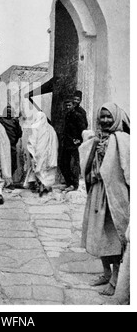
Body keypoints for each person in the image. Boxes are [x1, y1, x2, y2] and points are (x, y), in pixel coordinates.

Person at [80, 102, 130, 296]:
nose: (106, 120)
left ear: (117, 118)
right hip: (97, 191)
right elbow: (89, 164)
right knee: (99, 234)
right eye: (103, 116)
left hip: (113, 194)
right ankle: (106, 273)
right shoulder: (97, 138)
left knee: (113, 237)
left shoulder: (123, 140)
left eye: (110, 116)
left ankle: (116, 279)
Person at [24, 111, 59, 197]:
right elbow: (55, 142)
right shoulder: (51, 128)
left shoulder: (35, 127)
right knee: (45, 169)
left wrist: (31, 151)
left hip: (39, 152)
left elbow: (32, 140)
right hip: (48, 153)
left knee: (38, 168)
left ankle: (40, 187)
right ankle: (44, 186)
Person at [60, 98, 86, 192]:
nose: (67, 107)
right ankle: (69, 182)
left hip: (74, 144)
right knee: (63, 163)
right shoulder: (67, 115)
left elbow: (83, 128)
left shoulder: (78, 115)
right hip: (67, 143)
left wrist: (79, 140)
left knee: (75, 164)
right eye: (66, 105)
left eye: (69, 105)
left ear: (73, 105)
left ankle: (74, 185)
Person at [0, 104, 22, 178]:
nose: (8, 114)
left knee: (13, 164)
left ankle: (9, 181)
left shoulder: (15, 121)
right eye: (7, 112)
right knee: (3, 164)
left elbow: (19, 134)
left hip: (12, 146)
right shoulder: (0, 120)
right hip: (2, 146)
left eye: (10, 112)